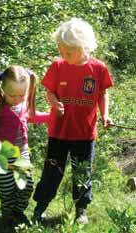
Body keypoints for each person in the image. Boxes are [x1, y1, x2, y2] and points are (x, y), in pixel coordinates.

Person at [33, 17, 113, 224]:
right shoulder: (58, 66)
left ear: (83, 47)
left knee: (81, 172)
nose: (63, 55)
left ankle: (81, 210)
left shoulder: (98, 68)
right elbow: (49, 91)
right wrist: (54, 103)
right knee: (52, 170)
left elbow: (103, 94)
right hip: (58, 132)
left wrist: (105, 115)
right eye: (61, 50)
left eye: (68, 52)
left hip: (84, 134)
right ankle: (39, 209)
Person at [0, 65, 49, 227]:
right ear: (3, 90)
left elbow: (32, 116)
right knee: (7, 187)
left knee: (26, 185)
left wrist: (52, 117)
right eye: (12, 96)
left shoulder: (23, 105)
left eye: (21, 95)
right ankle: (8, 213)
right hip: (0, 154)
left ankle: (18, 211)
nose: (17, 99)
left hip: (21, 152)